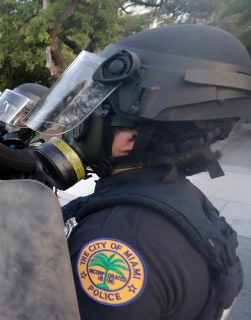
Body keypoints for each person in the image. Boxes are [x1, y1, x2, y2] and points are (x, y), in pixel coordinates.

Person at [20, 24, 247, 319]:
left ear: (131, 135)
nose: (77, 122)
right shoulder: (179, 199)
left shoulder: (114, 238)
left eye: (96, 109)